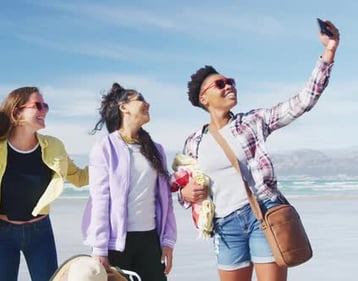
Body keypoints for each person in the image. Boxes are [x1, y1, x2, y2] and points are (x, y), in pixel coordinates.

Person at [179, 20, 340, 281]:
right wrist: (186, 194)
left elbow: (303, 101)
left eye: (230, 81)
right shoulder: (193, 142)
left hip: (263, 214)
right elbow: (184, 192)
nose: (229, 85)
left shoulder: (252, 122)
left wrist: (329, 52)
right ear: (203, 98)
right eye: (220, 84)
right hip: (224, 225)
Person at [0, 86, 89, 281]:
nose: (44, 110)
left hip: (40, 233)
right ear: (17, 112)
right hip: (2, 233)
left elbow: (78, 177)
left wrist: (106, 161)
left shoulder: (54, 146)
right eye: (38, 105)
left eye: (45, 106)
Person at [82, 83, 177, 281]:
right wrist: (99, 247)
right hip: (116, 244)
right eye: (140, 99)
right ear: (123, 107)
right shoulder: (105, 147)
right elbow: (100, 199)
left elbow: (164, 199)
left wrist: (167, 240)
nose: (147, 103)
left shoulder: (156, 149)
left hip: (150, 239)